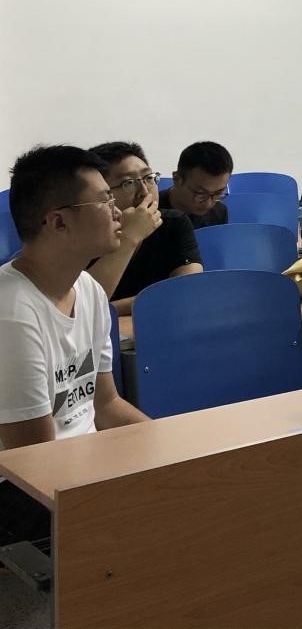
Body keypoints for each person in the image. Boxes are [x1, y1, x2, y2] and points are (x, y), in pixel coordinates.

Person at [1, 145, 150, 548]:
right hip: (19, 490)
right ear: (58, 222)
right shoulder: (11, 313)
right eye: (104, 200)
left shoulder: (88, 290)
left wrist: (166, 447)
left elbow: (106, 405)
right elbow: (34, 458)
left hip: (78, 465)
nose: (119, 211)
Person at [88, 141, 202, 316]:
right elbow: (85, 305)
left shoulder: (173, 223)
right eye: (128, 183)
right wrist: (129, 236)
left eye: (149, 178)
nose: (144, 192)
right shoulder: (83, 235)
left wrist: (111, 309)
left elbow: (188, 290)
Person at [161, 140, 232, 228]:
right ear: (177, 180)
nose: (208, 204)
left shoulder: (219, 212)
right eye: (201, 194)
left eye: (218, 193)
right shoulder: (150, 215)